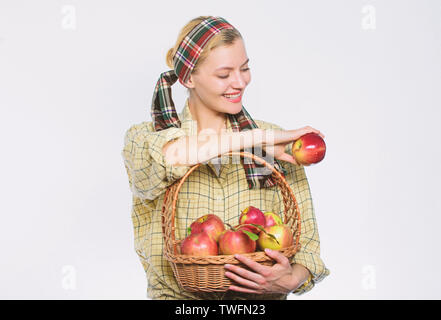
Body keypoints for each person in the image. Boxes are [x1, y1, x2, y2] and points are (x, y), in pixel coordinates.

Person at [122, 16, 330, 300]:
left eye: (245, 69)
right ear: (188, 78)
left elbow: (307, 243)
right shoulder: (145, 140)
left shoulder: (276, 141)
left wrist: (290, 279)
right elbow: (172, 156)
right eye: (224, 74)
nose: (240, 82)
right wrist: (256, 139)